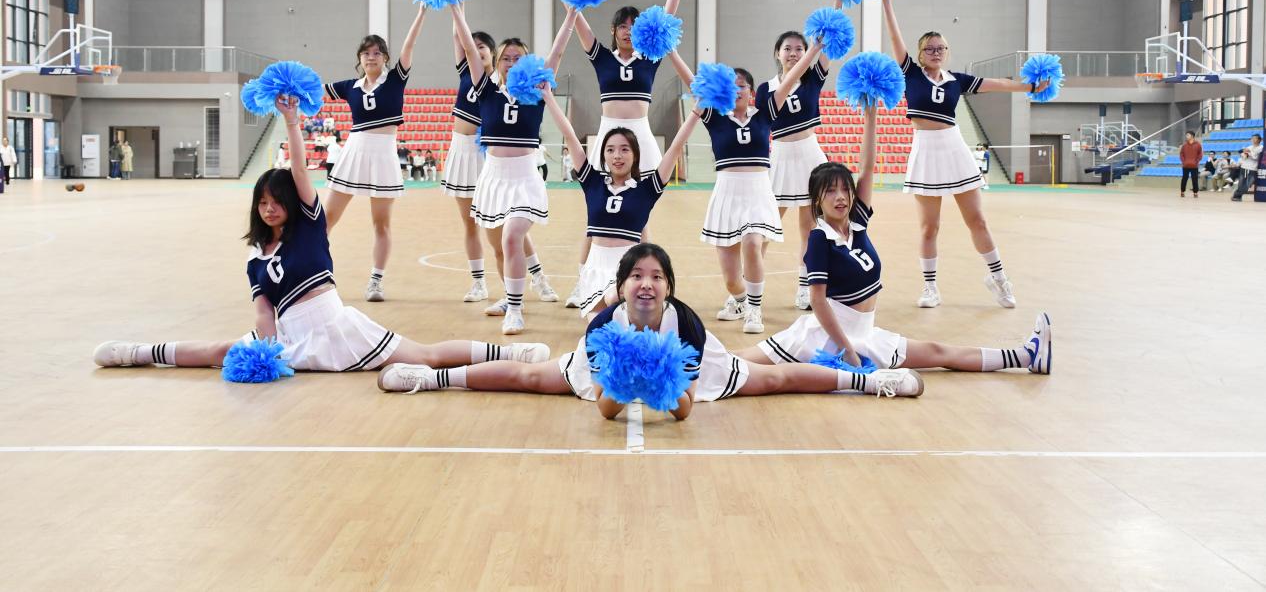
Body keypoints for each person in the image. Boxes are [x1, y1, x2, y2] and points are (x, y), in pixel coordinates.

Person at [93, 95, 551, 375]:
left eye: (276, 200)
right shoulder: (256, 254)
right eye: (262, 202)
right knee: (219, 350)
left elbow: (298, 168)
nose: (269, 207)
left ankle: (516, 354)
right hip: (286, 334)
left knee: (425, 356)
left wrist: (293, 123)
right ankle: (137, 352)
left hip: (335, 327)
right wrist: (268, 348)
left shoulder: (310, 224)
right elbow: (263, 308)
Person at [377, 243, 925, 405]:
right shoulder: (602, 327)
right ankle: (432, 377)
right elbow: (607, 405)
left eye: (656, 277)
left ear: (668, 288)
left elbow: (683, 406)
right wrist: (623, 383)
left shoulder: (686, 326)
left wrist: (663, 385)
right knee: (528, 379)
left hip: (685, 373)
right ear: (619, 288)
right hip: (613, 377)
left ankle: (871, 381)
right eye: (635, 276)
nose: (645, 284)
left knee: (778, 379)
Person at [732, 104, 1052, 379]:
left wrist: (870, 115)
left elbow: (867, 168)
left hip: (866, 333)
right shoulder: (819, 238)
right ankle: (702, 362)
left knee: (938, 352)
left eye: (844, 189)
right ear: (816, 200)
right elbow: (817, 300)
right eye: (830, 191)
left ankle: (1026, 356)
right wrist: (846, 350)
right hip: (825, 338)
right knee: (741, 361)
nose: (840, 197)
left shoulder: (857, 224)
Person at [880, 0, 1049, 310]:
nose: (935, 52)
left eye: (941, 48)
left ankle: (999, 278)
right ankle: (930, 288)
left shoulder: (957, 80)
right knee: (929, 227)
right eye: (929, 48)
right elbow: (894, 35)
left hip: (954, 147)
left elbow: (998, 84)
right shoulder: (910, 73)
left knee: (978, 221)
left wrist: (1030, 87)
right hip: (925, 150)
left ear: (947, 52)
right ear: (919, 54)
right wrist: (886, 0)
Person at [666, 40, 827, 335]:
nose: (737, 89)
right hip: (727, 194)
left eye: (742, 85)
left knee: (753, 242)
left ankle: (754, 309)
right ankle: (740, 300)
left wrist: (814, 49)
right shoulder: (715, 118)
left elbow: (790, 78)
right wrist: (671, 51)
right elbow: (692, 81)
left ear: (751, 92)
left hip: (758, 191)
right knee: (731, 279)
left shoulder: (765, 113)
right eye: (732, 85)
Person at [563, 0, 688, 308]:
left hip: (641, 135)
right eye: (622, 25)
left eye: (634, 25)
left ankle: (644, 277)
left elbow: (667, 17)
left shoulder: (650, 57)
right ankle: (583, 281)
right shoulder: (601, 57)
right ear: (613, 30)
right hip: (608, 134)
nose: (628, 30)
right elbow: (579, 21)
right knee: (595, 216)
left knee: (640, 213)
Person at [454, 1, 571, 334]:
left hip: (524, 175)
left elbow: (558, 52)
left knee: (512, 236)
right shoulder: (485, 89)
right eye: (506, 57)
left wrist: (571, 15)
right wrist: (456, 10)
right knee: (499, 247)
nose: (511, 62)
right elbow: (468, 47)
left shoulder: (537, 90)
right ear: (497, 62)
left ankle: (516, 311)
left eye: (518, 58)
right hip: (492, 176)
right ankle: (510, 296)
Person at [543, 85, 701, 319]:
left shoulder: (646, 189)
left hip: (630, 270)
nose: (617, 155)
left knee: (619, 311)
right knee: (597, 331)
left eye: (624, 149)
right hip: (594, 270)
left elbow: (676, 147)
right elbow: (569, 135)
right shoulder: (593, 182)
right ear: (604, 155)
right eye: (610, 150)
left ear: (635, 155)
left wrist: (696, 112)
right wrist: (548, 97)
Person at [439, 20, 554, 308]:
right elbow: (460, 39)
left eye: (483, 47)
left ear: (493, 53)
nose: (477, 51)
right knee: (473, 223)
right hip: (461, 151)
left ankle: (538, 277)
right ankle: (479, 282)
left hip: (490, 154)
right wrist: (456, 4)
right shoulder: (468, 74)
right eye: (474, 46)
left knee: (511, 224)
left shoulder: (500, 84)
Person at [322, 3, 427, 302]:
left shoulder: (395, 80)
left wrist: (421, 12)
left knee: (381, 224)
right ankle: (315, 273)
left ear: (385, 58)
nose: (371, 56)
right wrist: (284, 89)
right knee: (326, 220)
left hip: (383, 155)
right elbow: (314, 91)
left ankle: (375, 282)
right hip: (354, 152)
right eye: (366, 52)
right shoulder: (350, 86)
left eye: (377, 52)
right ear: (359, 58)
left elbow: (409, 45)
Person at [755, 31, 831, 311]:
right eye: (787, 48)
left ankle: (804, 288)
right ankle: (750, 291)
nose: (794, 53)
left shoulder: (813, 79)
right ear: (777, 53)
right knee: (765, 228)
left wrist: (834, 10)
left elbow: (828, 40)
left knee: (810, 229)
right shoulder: (765, 88)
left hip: (811, 156)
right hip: (780, 158)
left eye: (800, 48)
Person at [1231, 133, 1262, 202]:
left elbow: (1255, 157)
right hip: (1244, 167)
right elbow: (1243, 154)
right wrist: (1245, 153)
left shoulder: (1260, 148)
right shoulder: (1250, 147)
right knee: (1241, 183)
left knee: (1248, 184)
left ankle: (1236, 194)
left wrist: (1249, 152)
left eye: (1255, 138)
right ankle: (1237, 196)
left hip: (1252, 168)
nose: (1253, 140)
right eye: (1252, 138)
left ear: (1259, 140)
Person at [1179, 130, 1202, 198]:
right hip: (1185, 165)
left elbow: (1200, 154)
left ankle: (1195, 192)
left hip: (1194, 166)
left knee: (1195, 179)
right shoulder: (1184, 145)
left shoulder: (1198, 144)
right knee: (1184, 179)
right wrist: (1183, 161)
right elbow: (1181, 154)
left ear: (1192, 136)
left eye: (1188, 135)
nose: (1186, 136)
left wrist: (1196, 161)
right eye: (1186, 135)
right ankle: (1182, 192)